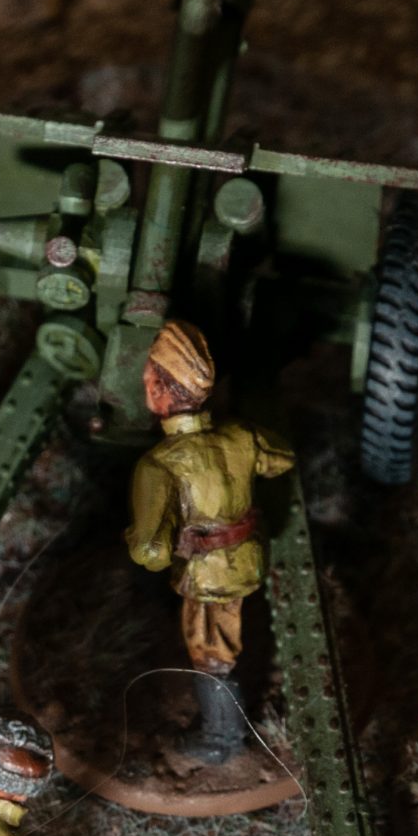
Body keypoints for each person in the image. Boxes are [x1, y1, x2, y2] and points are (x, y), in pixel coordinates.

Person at [123, 319, 294, 764]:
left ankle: (221, 740)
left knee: (211, 653)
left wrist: (149, 539)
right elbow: (282, 458)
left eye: (148, 377)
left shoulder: (160, 465)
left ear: (159, 388)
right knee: (225, 638)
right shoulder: (240, 436)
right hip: (246, 560)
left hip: (206, 576)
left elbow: (151, 553)